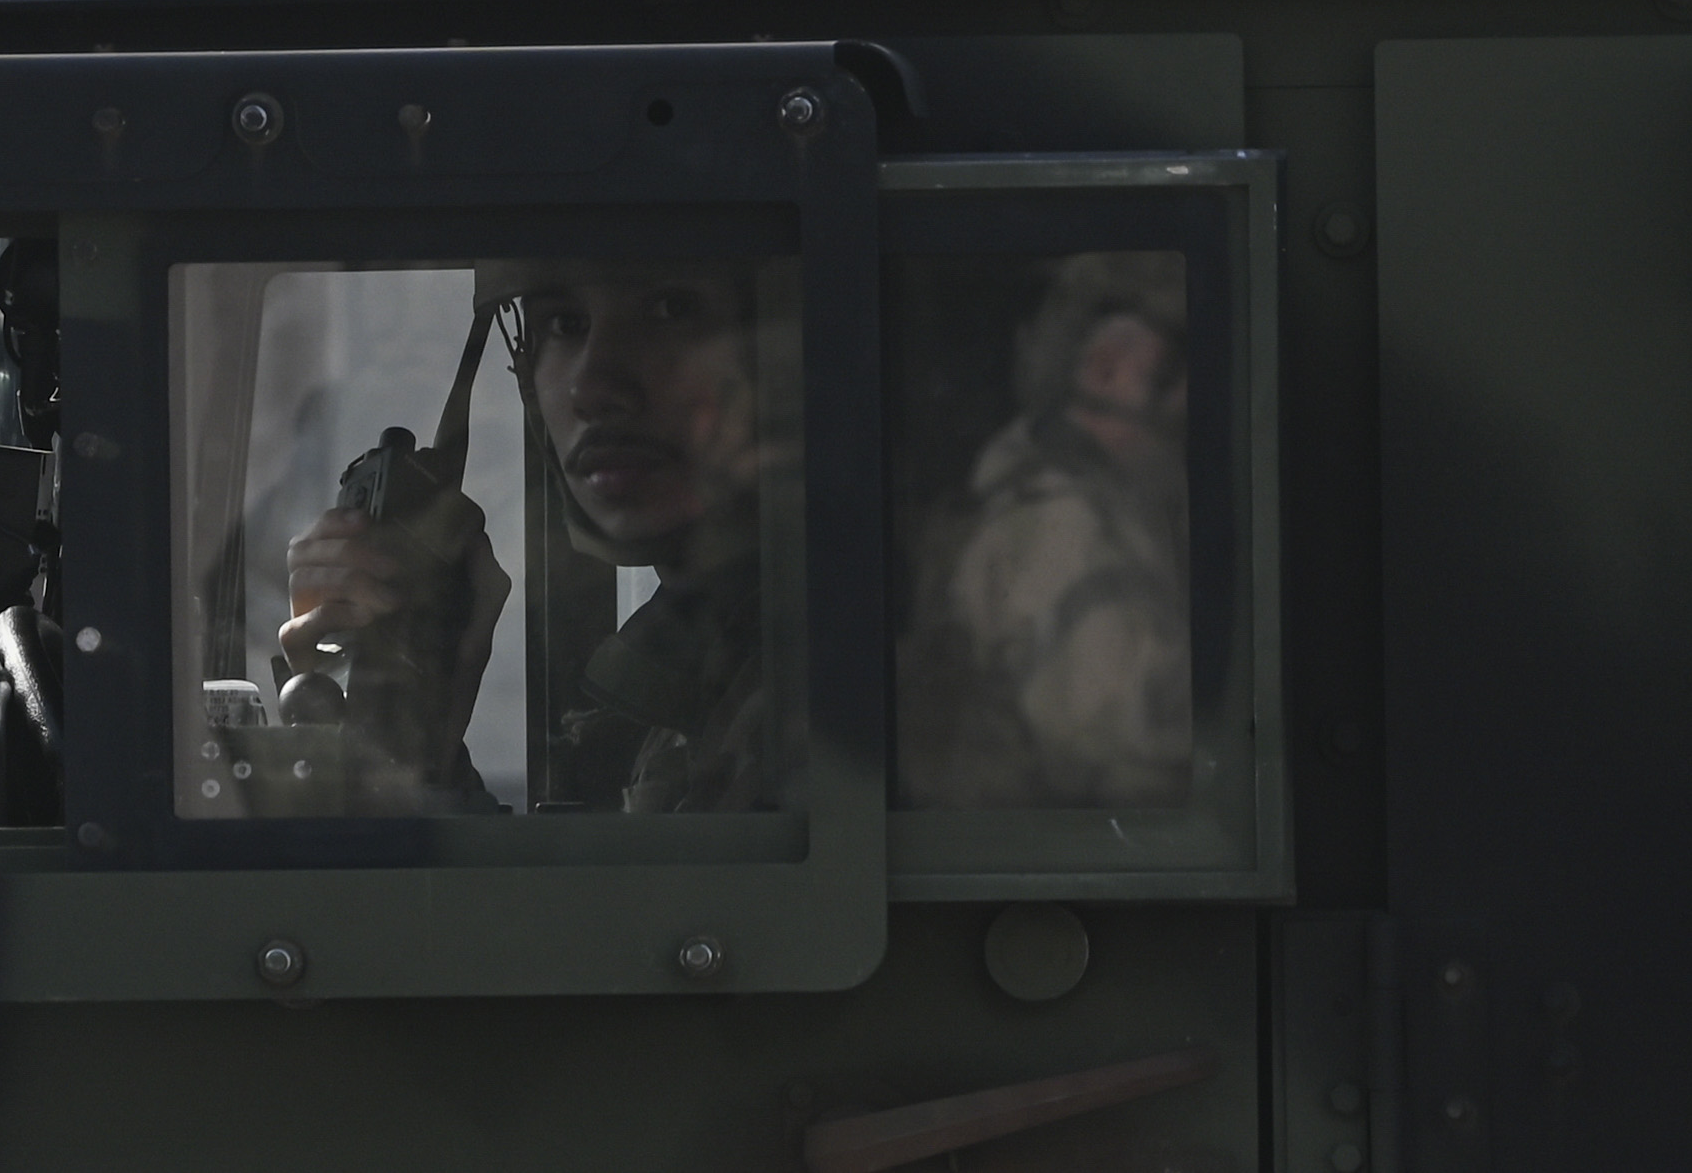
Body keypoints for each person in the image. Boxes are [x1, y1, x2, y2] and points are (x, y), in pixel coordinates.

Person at [278, 257, 784, 815]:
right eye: (565, 324)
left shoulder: (802, 672)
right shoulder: (698, 659)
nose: (591, 388)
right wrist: (409, 728)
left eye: (671, 310)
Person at [897, 253, 1197, 809]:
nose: (1193, 404)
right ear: (1105, 371)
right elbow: (1138, 756)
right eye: (1175, 371)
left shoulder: (1076, 505)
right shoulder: (1063, 530)